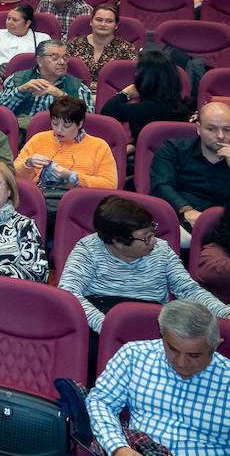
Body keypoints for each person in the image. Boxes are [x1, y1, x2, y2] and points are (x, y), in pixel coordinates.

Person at [58, 195, 230, 333]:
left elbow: (188, 289)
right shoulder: (88, 249)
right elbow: (69, 293)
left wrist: (224, 312)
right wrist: (106, 326)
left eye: (153, 232)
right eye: (146, 238)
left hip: (150, 319)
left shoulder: (162, 250)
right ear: (117, 241)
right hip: (100, 317)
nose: (154, 241)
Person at [85, 299, 230, 456]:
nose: (181, 363)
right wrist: (118, 448)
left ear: (215, 346)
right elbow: (101, 402)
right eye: (172, 349)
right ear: (163, 336)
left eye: (194, 355)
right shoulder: (134, 356)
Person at [149, 101, 230, 244]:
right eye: (211, 129)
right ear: (199, 129)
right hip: (180, 218)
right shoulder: (173, 149)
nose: (221, 136)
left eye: (227, 130)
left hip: (223, 225)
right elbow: (162, 185)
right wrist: (187, 210)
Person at [15, 95, 117, 201]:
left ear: (80, 123)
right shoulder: (38, 139)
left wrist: (72, 177)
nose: (59, 130)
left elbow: (110, 186)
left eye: (66, 126)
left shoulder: (99, 146)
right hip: (41, 200)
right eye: (55, 123)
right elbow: (12, 176)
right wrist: (27, 164)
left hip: (80, 202)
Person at [0, 38, 94, 132]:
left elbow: (88, 122)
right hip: (21, 136)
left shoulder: (78, 87)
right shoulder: (17, 79)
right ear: (39, 61)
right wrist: (20, 90)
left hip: (60, 138)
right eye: (55, 58)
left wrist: (62, 96)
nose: (62, 62)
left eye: (65, 58)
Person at [100, 49, 193, 143]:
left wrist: (126, 93)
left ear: (145, 78)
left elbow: (108, 110)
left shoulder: (145, 109)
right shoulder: (182, 106)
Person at [0, 2, 52, 69]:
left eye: (15, 20)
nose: (9, 22)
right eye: (8, 18)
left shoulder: (42, 39)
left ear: (27, 23)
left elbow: (46, 63)